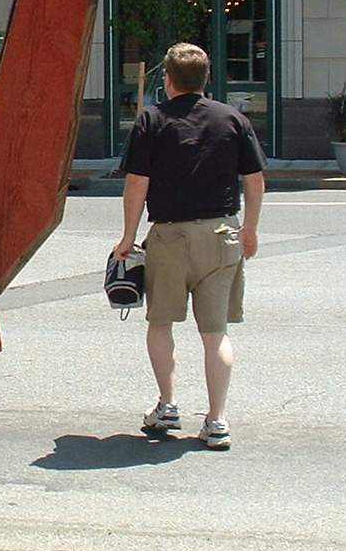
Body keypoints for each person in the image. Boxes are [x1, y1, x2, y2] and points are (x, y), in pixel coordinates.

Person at [112, 43, 266, 450]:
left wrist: (128, 237)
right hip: (221, 235)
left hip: (170, 237)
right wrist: (250, 230)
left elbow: (136, 183)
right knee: (216, 333)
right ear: (205, 79)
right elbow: (254, 180)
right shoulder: (232, 119)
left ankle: (167, 404)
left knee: (161, 323)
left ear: (167, 79)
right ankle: (217, 420)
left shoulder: (152, 120)